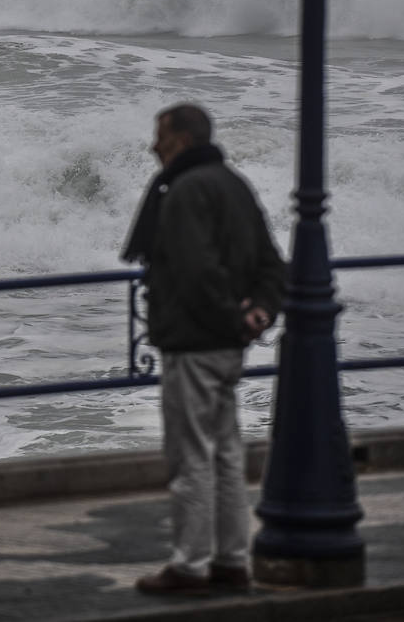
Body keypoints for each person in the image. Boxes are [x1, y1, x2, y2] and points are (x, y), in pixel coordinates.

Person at [122, 103, 286, 595]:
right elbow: (271, 262)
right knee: (227, 456)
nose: (154, 147)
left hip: (196, 342)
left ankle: (189, 565)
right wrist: (259, 311)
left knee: (191, 456)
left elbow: (195, 272)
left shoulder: (186, 190)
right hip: (226, 345)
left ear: (184, 140)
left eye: (162, 138)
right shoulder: (234, 183)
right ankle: (232, 561)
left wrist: (232, 321)